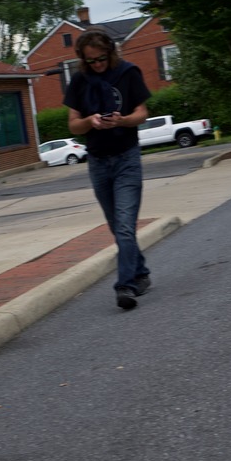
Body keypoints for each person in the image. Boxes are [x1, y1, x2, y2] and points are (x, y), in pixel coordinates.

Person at [62, 29, 152, 310]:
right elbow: (73, 125)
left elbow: (142, 113)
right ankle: (141, 273)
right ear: (82, 60)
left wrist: (123, 120)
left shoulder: (128, 73)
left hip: (126, 158)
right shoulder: (79, 80)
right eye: (91, 61)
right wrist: (90, 121)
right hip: (98, 162)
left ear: (111, 53)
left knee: (125, 226)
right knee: (117, 226)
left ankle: (125, 286)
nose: (97, 64)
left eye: (101, 58)